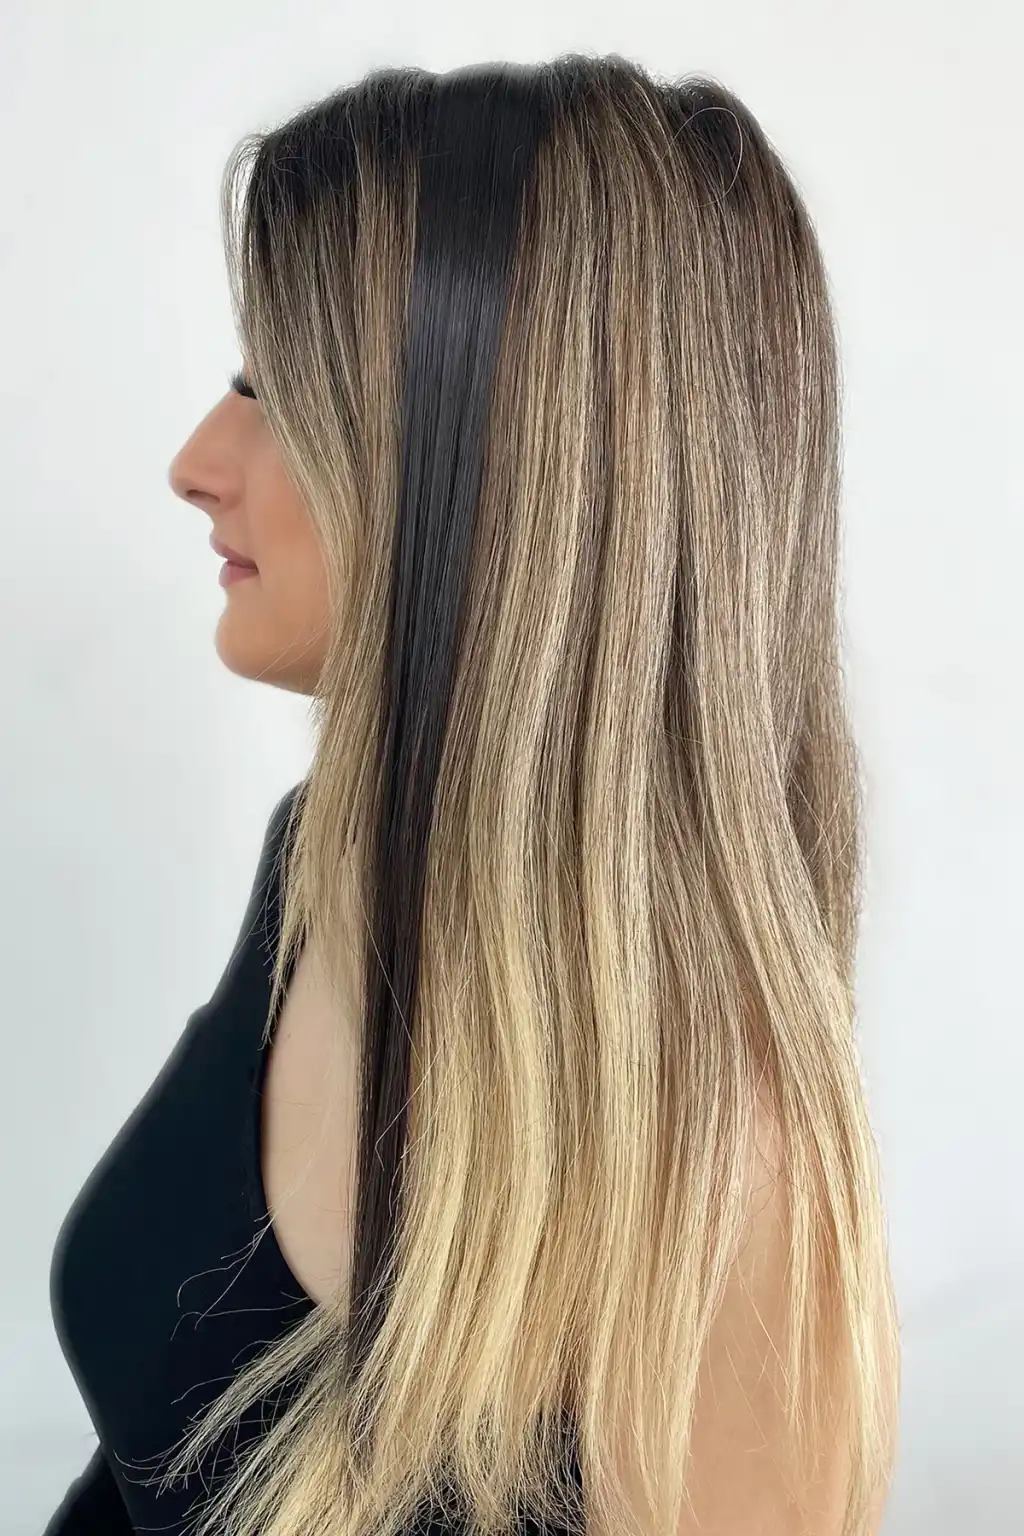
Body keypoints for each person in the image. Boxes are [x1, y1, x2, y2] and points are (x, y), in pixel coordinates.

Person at [45, 52, 901, 1536]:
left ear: (513, 467)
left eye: (278, 389)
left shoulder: (723, 1174)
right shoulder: (321, 866)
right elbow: (155, 1452)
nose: (198, 461)